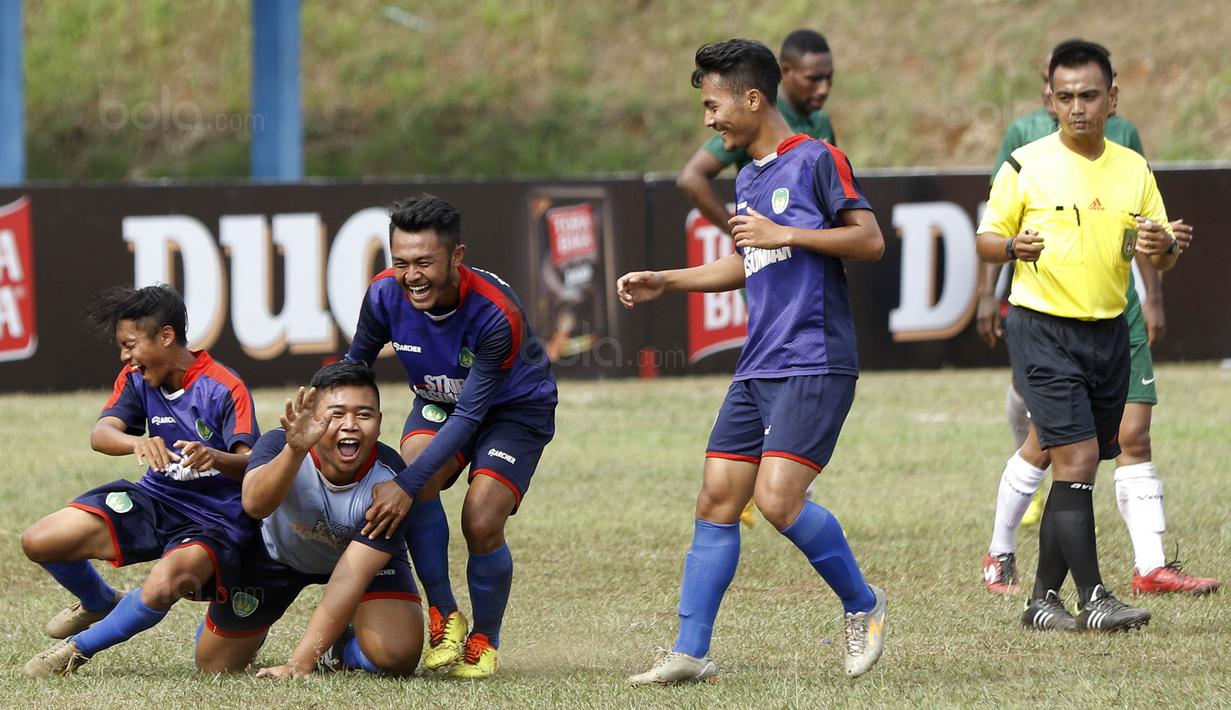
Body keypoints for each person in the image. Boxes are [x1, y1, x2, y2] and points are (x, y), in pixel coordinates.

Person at [620, 39, 887, 684]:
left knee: (777, 499)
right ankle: (691, 651)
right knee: (717, 497)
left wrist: (786, 232)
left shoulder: (818, 159)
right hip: (759, 364)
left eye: (714, 106)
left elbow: (870, 240)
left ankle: (864, 605)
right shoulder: (747, 177)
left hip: (814, 359)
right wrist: (668, 280)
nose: (709, 119)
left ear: (753, 98)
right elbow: (749, 262)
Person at [977, 43, 1218, 598]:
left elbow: (1156, 247)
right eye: (1065, 97)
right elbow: (988, 238)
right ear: (1050, 98)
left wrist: (1164, 250)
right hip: (1046, 325)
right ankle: (1027, 566)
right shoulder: (1025, 160)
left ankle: (1146, 567)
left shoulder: (1132, 164)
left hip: (1114, 319)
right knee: (1065, 450)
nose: (1076, 107)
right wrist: (1011, 250)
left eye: (1088, 95)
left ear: (1113, 98)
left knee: (1126, 437)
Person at [347, 194, 557, 678]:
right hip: (439, 400)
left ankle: (486, 638)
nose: (412, 276)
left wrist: (404, 484)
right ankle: (444, 612)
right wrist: (323, 412)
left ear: (456, 256)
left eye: (424, 262)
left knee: (480, 519)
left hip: (513, 410)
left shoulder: (495, 313)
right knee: (417, 466)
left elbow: (470, 416)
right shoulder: (383, 294)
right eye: (401, 262)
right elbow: (355, 366)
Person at [21, 285, 259, 677]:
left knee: (164, 585)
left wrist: (215, 456)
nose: (124, 356)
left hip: (215, 520)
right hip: (157, 498)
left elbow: (252, 465)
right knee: (40, 540)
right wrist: (137, 442)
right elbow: (101, 434)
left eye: (129, 345)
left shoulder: (223, 386)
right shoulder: (135, 378)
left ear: (166, 336)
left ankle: (75, 651)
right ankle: (99, 601)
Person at [194, 362, 424, 678]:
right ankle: (248, 632)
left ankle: (341, 648)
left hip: (355, 565)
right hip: (278, 557)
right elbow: (255, 505)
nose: (350, 425)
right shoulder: (277, 444)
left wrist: (300, 663)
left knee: (397, 656)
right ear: (315, 418)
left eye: (364, 415)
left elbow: (349, 578)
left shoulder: (390, 480)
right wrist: (295, 450)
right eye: (336, 414)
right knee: (214, 665)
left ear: (380, 422)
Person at [677, 29, 838, 239]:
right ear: (786, 71)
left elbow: (864, 237)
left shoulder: (820, 127)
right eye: (813, 78)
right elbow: (691, 177)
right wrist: (742, 237)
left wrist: (789, 237)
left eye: (828, 78)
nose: (824, 89)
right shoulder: (753, 119)